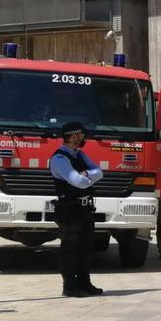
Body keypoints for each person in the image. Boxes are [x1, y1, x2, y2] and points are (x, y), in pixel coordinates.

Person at [50, 122, 104, 297]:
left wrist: (87, 175)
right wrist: (87, 177)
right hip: (70, 210)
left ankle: (84, 283)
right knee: (70, 249)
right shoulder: (59, 159)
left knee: (85, 249)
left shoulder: (80, 155)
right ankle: (70, 286)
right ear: (73, 136)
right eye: (81, 135)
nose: (83, 138)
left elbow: (99, 172)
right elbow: (77, 182)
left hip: (85, 210)